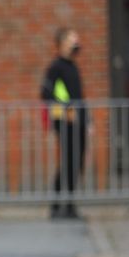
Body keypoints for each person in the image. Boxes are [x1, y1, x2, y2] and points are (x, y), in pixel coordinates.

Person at [41, 27, 88, 220]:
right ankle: (58, 205)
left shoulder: (73, 66)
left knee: (76, 163)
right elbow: (47, 93)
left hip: (79, 121)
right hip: (65, 122)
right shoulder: (56, 67)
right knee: (67, 163)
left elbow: (79, 96)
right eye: (72, 39)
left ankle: (69, 205)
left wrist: (88, 120)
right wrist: (66, 108)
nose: (76, 42)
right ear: (62, 43)